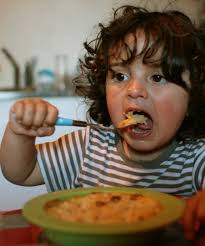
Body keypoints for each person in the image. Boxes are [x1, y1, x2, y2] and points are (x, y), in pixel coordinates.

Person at [0, 4, 205, 243]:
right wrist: (20, 132)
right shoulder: (88, 147)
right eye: (120, 76)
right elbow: (19, 173)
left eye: (157, 77)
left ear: (193, 97)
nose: (134, 90)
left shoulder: (196, 157)